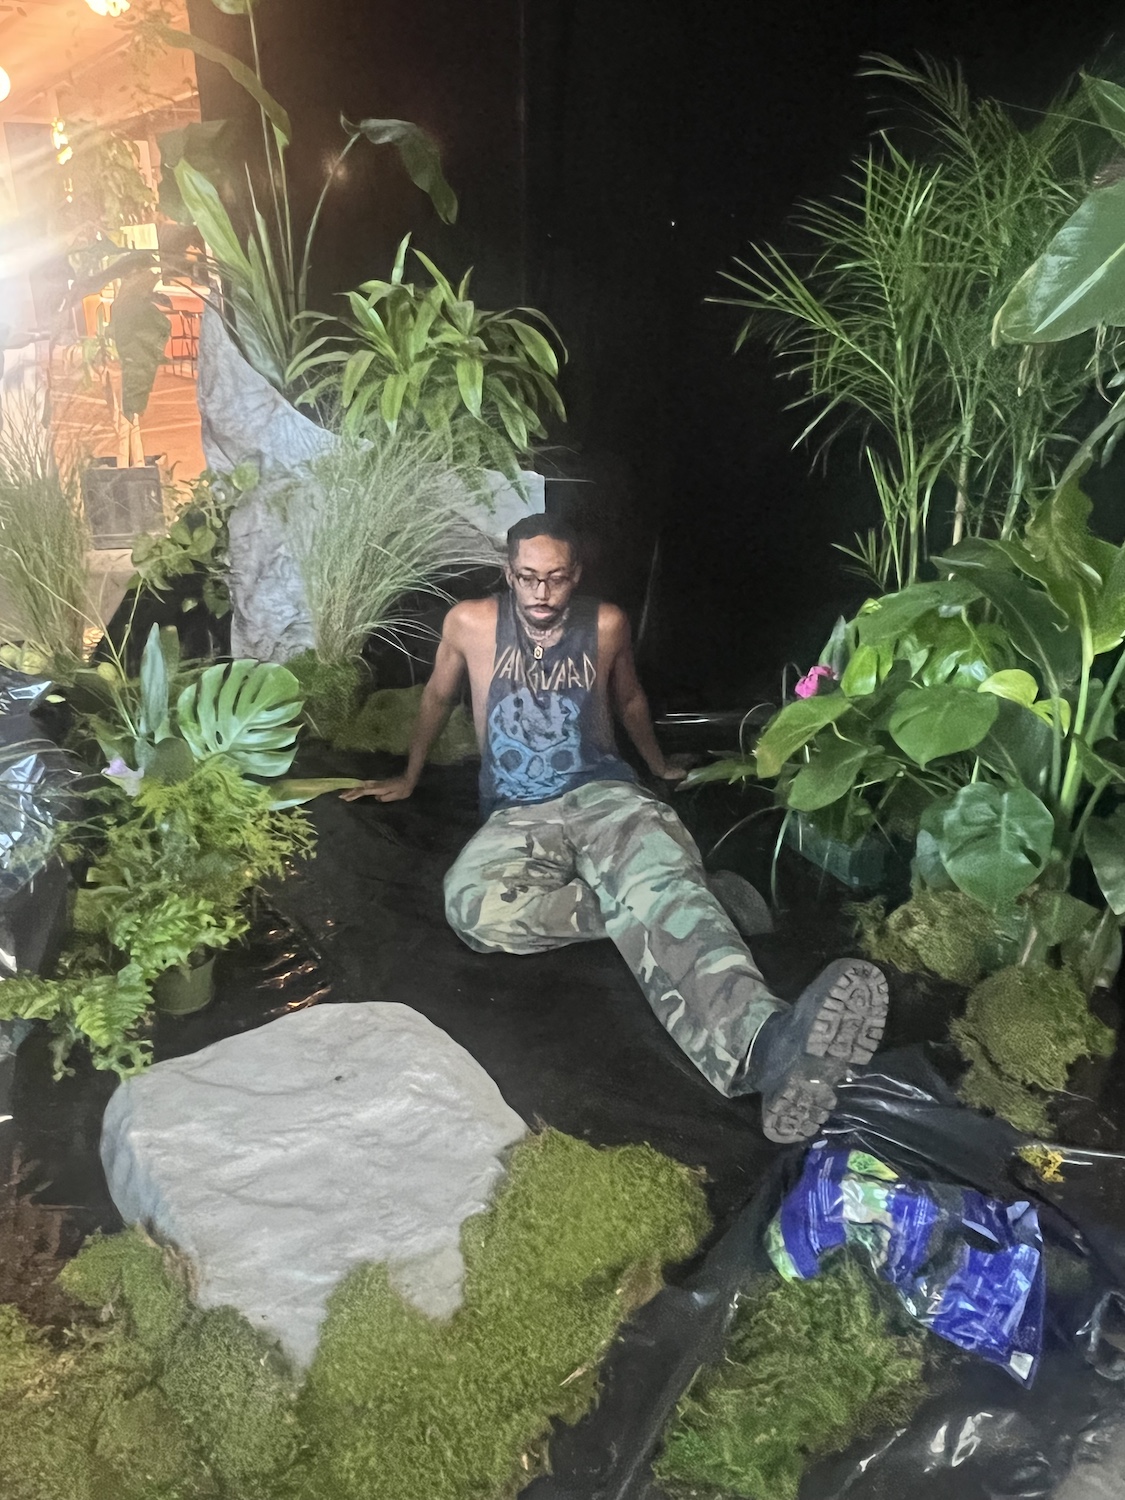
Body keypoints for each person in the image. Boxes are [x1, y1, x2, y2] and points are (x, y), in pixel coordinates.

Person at [342, 515, 888, 1141]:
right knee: (473, 909)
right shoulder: (468, 622)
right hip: (517, 814)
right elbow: (437, 697)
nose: (541, 592)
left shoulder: (605, 624)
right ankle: (688, 901)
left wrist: (658, 767)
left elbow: (628, 699)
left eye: (555, 578)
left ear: (575, 574)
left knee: (652, 881)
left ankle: (766, 1047)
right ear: (508, 574)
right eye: (527, 577)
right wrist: (408, 777)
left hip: (603, 794)